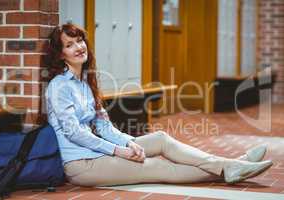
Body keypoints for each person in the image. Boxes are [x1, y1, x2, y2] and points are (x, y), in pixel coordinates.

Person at [45, 23, 272, 187]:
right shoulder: (60, 86)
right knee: (158, 167)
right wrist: (118, 151)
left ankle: (230, 165)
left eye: (79, 40)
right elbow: (73, 133)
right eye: (69, 44)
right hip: (82, 164)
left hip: (98, 153)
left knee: (161, 139)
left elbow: (104, 127)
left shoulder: (85, 83)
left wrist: (128, 143)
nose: (78, 47)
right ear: (60, 54)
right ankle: (231, 166)